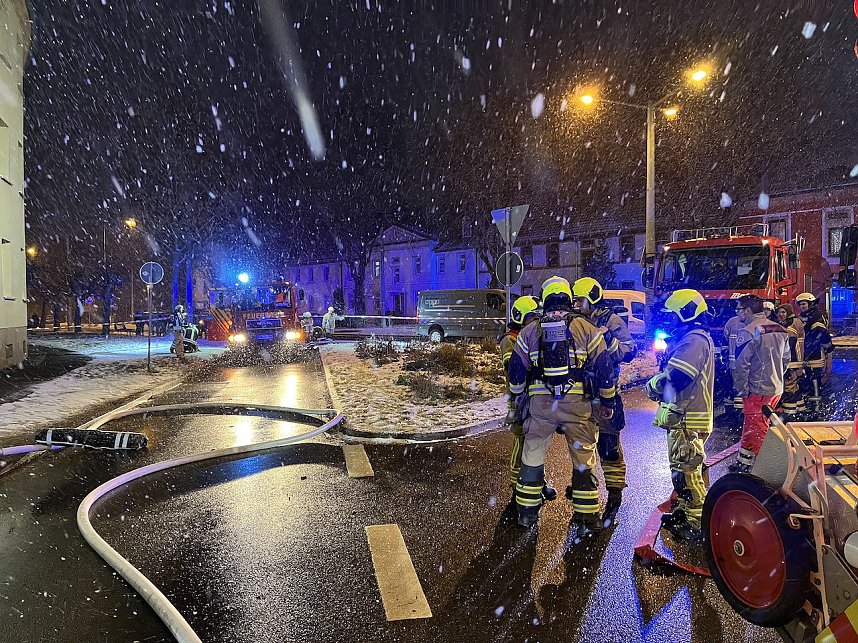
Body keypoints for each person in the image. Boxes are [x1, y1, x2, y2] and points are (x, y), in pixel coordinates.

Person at [508, 276, 616, 540]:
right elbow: (604, 368)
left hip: (541, 404)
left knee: (532, 455)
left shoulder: (530, 329)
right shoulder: (585, 327)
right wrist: (608, 401)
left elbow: (516, 372)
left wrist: (517, 399)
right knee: (583, 458)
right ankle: (586, 515)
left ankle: (527, 512)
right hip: (578, 405)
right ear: (569, 297)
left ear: (544, 298)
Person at [645, 289, 714, 542]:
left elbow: (677, 379)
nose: (669, 320)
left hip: (687, 418)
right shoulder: (691, 338)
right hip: (683, 418)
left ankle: (697, 523)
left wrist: (652, 386)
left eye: (673, 316)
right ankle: (686, 513)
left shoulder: (693, 340)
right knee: (681, 471)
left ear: (686, 312)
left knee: (688, 473)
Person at [572, 277, 637, 527]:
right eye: (574, 300)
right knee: (582, 449)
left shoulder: (611, 321)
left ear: (592, 297)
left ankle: (615, 493)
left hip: (606, 394)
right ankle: (583, 493)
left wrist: (607, 340)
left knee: (609, 448)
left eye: (580, 300)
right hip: (581, 396)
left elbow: (629, 351)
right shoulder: (576, 322)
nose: (576, 304)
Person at [500, 295, 556, 508]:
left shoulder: (527, 335)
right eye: (532, 317)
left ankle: (536, 482)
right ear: (521, 316)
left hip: (534, 396)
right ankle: (517, 484)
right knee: (522, 440)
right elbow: (513, 367)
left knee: (537, 442)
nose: (535, 322)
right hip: (520, 398)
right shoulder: (510, 339)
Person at [730, 295, 790, 472]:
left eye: (739, 309)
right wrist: (776, 376)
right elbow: (786, 360)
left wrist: (742, 390)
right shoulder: (779, 328)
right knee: (754, 424)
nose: (737, 313)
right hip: (776, 387)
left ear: (748, 310)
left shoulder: (748, 331)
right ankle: (745, 463)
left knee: (757, 428)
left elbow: (741, 365)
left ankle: (761, 469)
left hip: (757, 389)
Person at [796, 292, 834, 415]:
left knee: (815, 382)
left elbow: (824, 337)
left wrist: (828, 350)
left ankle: (816, 409)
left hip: (815, 356)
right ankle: (811, 406)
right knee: (808, 381)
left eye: (804, 304)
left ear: (810, 304)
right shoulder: (805, 317)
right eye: (800, 304)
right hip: (807, 355)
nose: (802, 307)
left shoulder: (815, 318)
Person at [776, 303, 806, 419]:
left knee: (789, 387)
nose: (781, 314)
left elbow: (790, 346)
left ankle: (790, 415)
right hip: (795, 360)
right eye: (779, 312)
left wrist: (794, 365)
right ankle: (799, 411)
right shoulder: (795, 322)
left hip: (792, 361)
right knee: (794, 386)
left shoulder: (790, 325)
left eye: (783, 312)